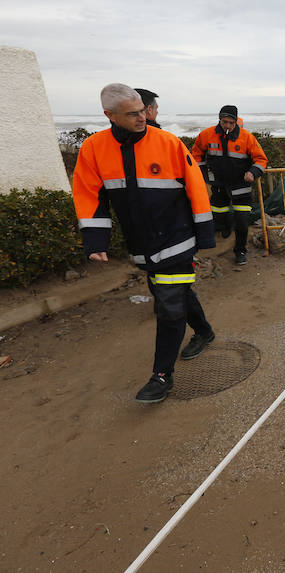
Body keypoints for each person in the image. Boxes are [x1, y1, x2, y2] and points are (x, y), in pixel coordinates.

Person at [73, 83, 217, 404]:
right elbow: (89, 195)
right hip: (141, 245)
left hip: (177, 239)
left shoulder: (168, 143)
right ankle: (205, 332)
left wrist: (204, 235)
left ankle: (161, 376)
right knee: (172, 293)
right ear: (109, 115)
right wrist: (96, 240)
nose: (143, 117)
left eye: (144, 110)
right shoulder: (93, 149)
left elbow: (196, 188)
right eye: (133, 114)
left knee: (168, 305)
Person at [192, 105, 268, 265]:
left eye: (231, 122)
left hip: (241, 186)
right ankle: (226, 225)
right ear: (219, 119)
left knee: (242, 221)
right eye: (224, 121)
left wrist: (253, 173)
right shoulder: (206, 135)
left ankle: (240, 251)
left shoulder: (247, 138)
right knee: (218, 213)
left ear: (236, 122)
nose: (227, 125)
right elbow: (196, 154)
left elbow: (261, 159)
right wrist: (202, 174)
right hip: (218, 185)